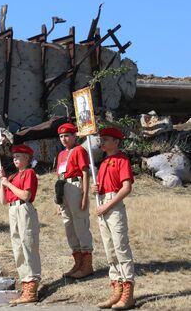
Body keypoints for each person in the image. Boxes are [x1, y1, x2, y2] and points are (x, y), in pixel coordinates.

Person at [92, 127, 136, 310]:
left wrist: (107, 205)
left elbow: (126, 188)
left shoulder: (121, 160)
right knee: (110, 250)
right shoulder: (102, 163)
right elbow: (102, 188)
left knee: (120, 248)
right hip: (103, 203)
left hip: (113, 205)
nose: (102, 142)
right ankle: (116, 289)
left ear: (116, 141)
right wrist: (96, 190)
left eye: (106, 139)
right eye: (101, 139)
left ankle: (128, 292)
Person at [0, 144, 41, 304]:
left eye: (18, 156)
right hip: (12, 210)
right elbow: (3, 201)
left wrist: (8, 184)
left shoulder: (29, 173)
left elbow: (26, 195)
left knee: (28, 243)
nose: (15, 159)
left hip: (24, 209)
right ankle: (25, 282)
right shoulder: (12, 177)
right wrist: (1, 181)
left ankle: (32, 283)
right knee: (17, 247)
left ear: (27, 158)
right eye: (14, 157)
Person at [56, 123, 94, 279]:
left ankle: (87, 265)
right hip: (63, 186)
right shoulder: (61, 155)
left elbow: (85, 173)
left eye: (67, 136)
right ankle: (77, 263)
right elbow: (58, 176)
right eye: (61, 136)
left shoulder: (79, 150)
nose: (64, 139)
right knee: (69, 226)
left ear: (74, 136)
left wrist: (84, 195)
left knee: (80, 224)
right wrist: (57, 201)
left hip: (75, 185)